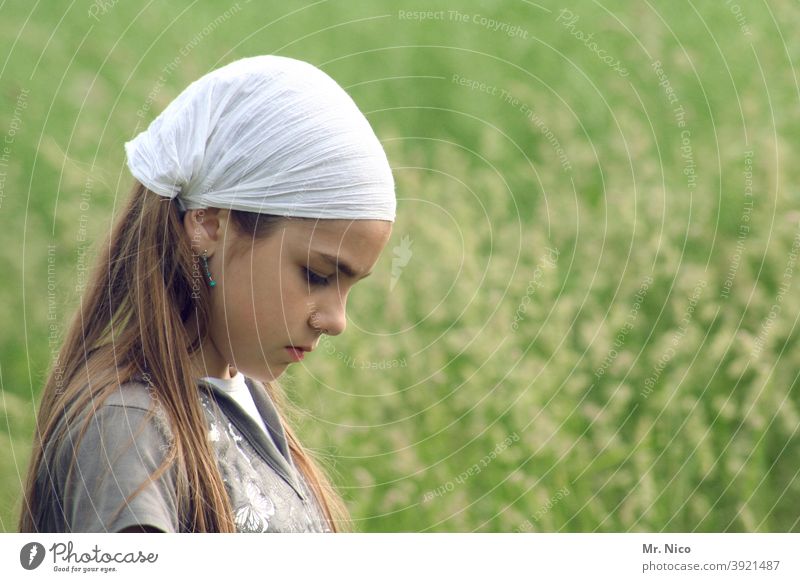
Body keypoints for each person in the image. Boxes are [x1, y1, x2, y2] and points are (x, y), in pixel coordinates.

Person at [18, 54, 396, 533]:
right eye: (318, 275)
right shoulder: (126, 430)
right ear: (209, 224)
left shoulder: (245, 402)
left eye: (350, 286)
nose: (337, 320)